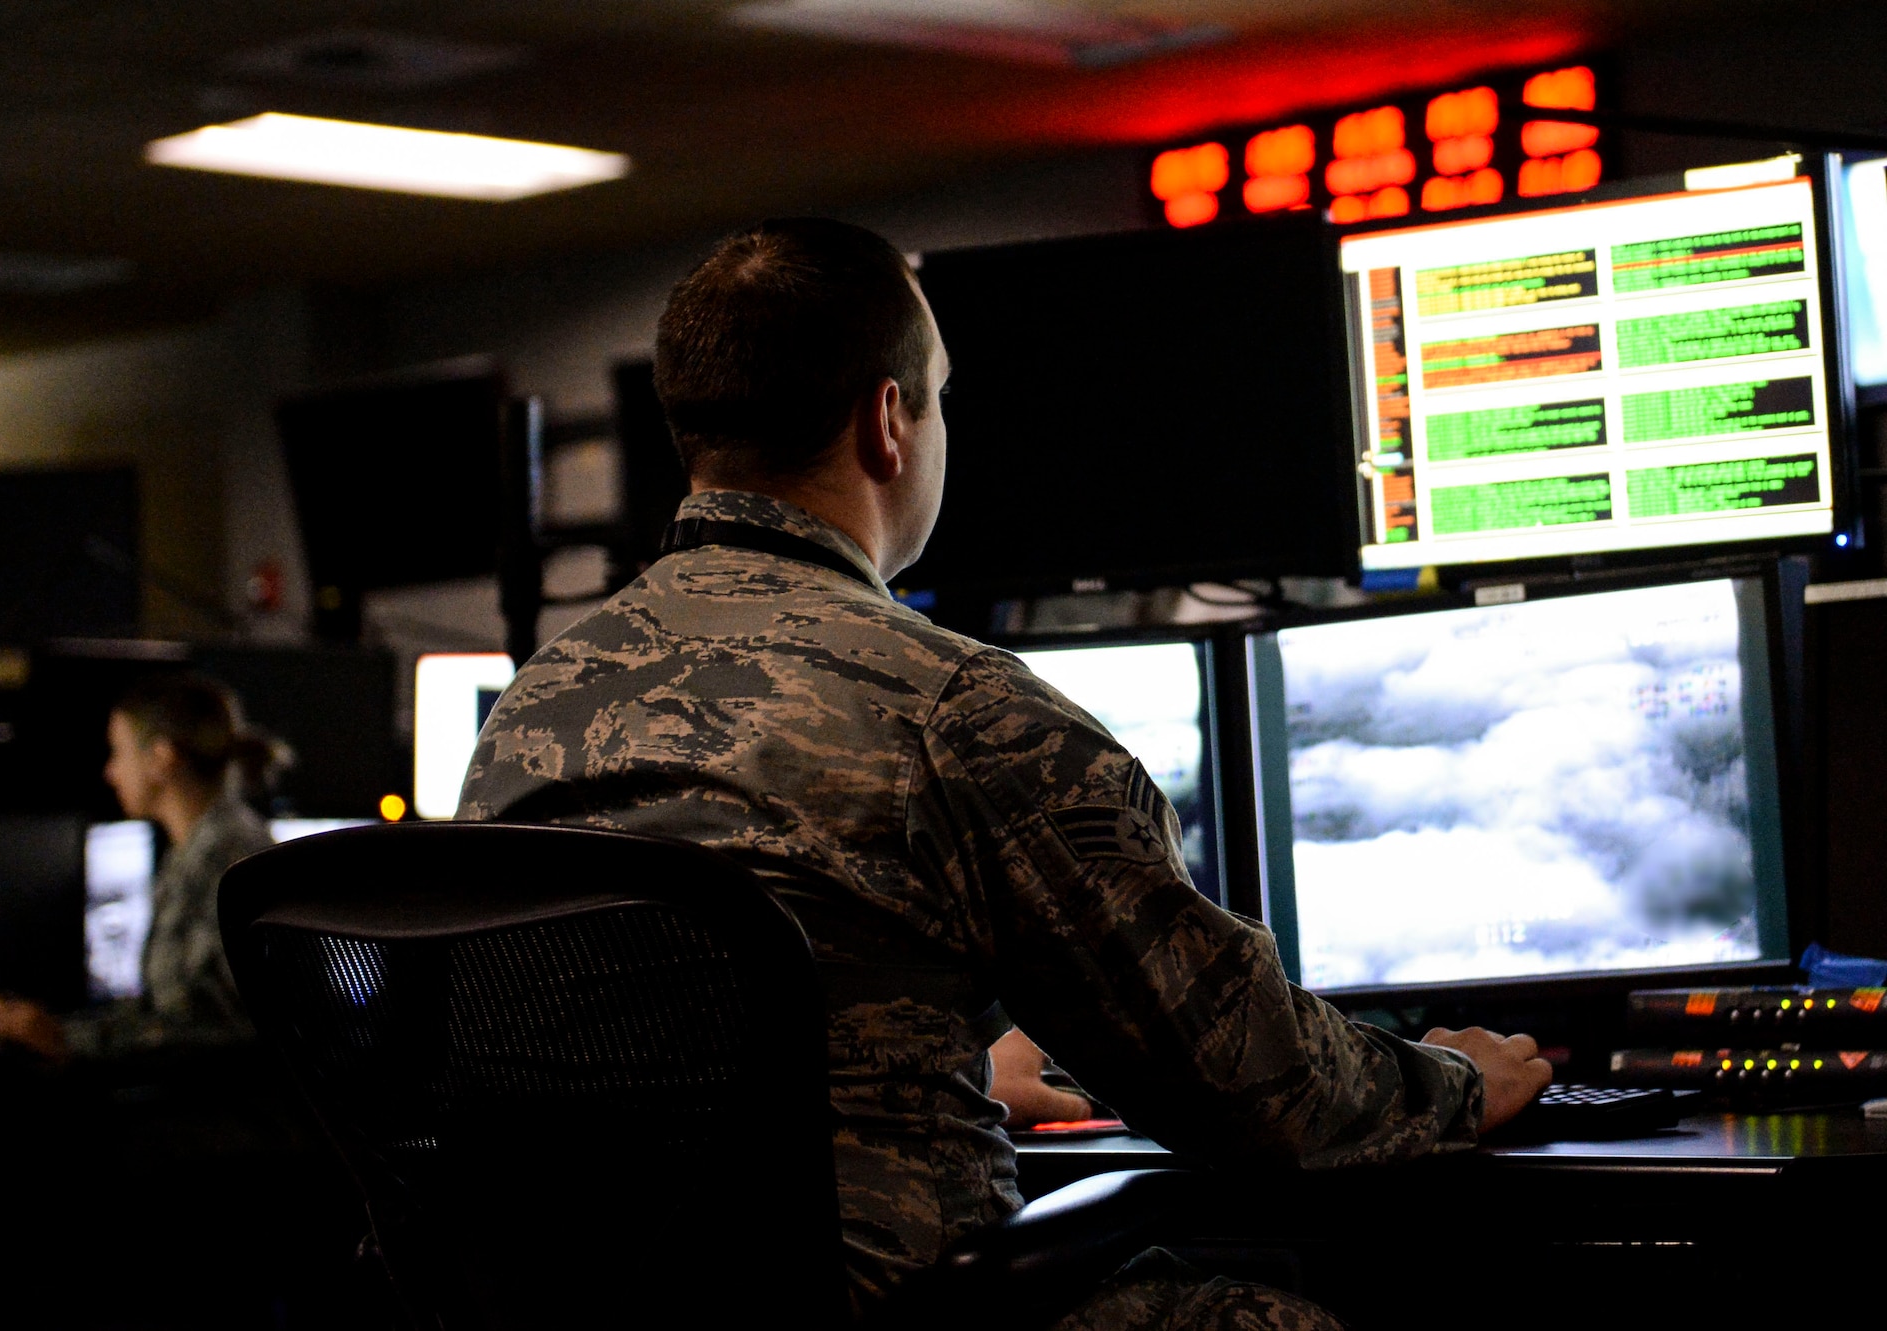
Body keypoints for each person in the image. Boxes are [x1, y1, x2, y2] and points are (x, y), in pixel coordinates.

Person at [456, 218, 1553, 1328]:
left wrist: (949, 1071)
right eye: (939, 393)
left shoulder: (534, 708)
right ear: (888, 422)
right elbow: (1261, 1089)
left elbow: (662, 1080)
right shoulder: (953, 707)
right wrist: (1457, 1077)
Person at [0, 673, 280, 1061]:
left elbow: (218, 1033)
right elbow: (170, 1015)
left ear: (160, 758)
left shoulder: (228, 859)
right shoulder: (195, 852)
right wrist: (52, 1029)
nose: (110, 772)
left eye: (118, 752)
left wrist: (64, 1041)